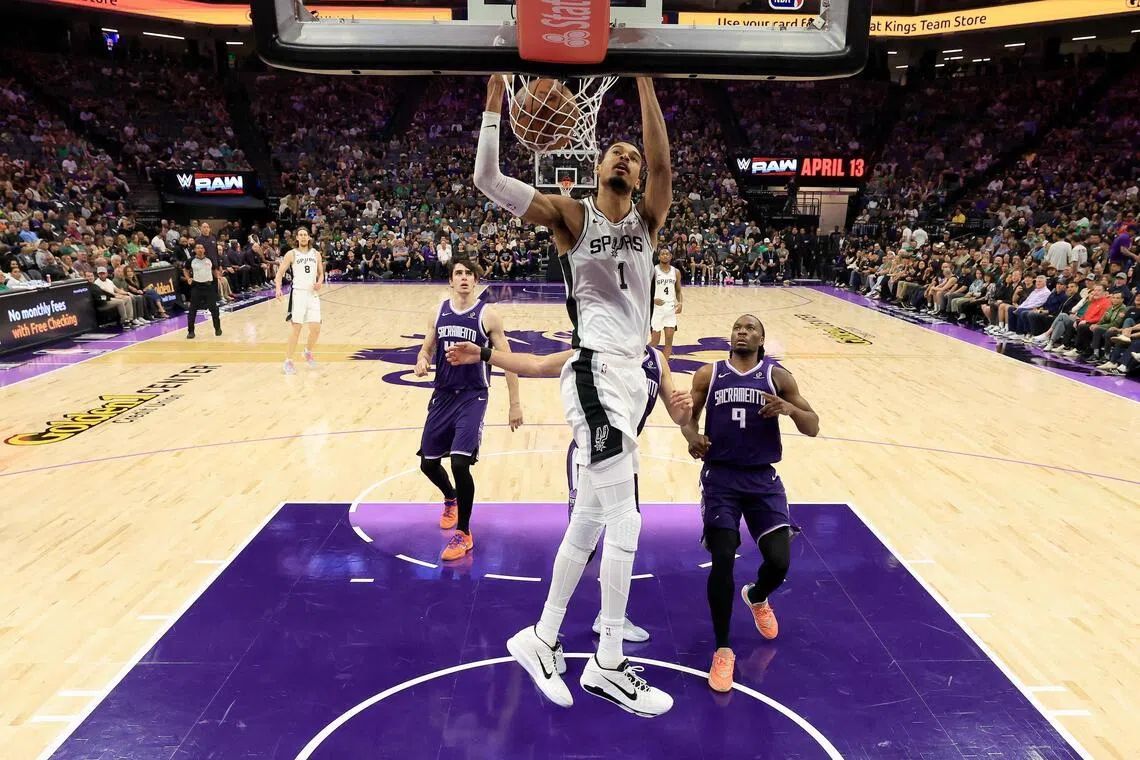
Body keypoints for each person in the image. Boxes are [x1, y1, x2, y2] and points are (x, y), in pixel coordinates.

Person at [474, 73, 674, 716]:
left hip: (631, 376)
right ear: (594, 164)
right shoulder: (570, 215)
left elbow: (664, 159)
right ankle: (610, 661)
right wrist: (493, 108)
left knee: (589, 521)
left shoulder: (647, 220)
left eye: (634, 155)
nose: (626, 154)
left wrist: (645, 83)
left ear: (640, 178)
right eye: (615, 149)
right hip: (592, 374)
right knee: (628, 520)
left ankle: (542, 638)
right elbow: (489, 182)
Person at [445, 339, 692, 648]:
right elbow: (537, 364)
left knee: (624, 533)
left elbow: (679, 417)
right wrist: (482, 353)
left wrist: (685, 411)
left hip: (626, 454)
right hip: (590, 453)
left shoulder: (656, 360)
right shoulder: (596, 349)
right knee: (590, 543)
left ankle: (598, 622)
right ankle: (551, 628)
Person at [681, 315, 819, 694]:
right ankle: (723, 649)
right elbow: (687, 422)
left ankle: (757, 596)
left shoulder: (778, 377)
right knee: (723, 559)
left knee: (779, 561)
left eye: (750, 328)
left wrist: (791, 411)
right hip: (721, 478)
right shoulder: (709, 375)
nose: (741, 331)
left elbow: (814, 425)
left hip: (762, 480)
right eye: (737, 327)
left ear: (762, 338)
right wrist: (692, 437)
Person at [414, 259, 524, 561]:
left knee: (461, 463)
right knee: (428, 464)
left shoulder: (488, 315)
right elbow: (426, 347)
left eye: (468, 274)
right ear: (451, 280)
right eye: (458, 273)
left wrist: (515, 403)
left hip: (473, 396)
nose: (463, 278)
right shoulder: (438, 311)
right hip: (443, 395)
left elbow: (509, 360)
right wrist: (422, 359)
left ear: (476, 280)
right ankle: (451, 498)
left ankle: (464, 532)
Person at [275, 227, 324, 375]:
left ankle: (307, 352)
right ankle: (288, 361)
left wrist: (320, 282)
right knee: (296, 329)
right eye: (300, 235)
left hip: (313, 294)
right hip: (298, 295)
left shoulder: (316, 254)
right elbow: (279, 273)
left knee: (316, 328)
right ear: (297, 238)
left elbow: (321, 273)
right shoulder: (291, 254)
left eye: (305, 235)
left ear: (309, 237)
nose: (303, 237)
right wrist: (278, 289)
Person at [650, 249, 683, 359]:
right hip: (656, 309)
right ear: (659, 257)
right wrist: (652, 300)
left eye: (667, 254)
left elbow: (678, 291)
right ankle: (643, 360)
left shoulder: (676, 272)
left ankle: (664, 367)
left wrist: (680, 303)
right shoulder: (653, 270)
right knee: (655, 341)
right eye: (662, 254)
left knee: (669, 341)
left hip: (670, 309)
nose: (664, 256)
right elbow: (644, 289)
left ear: (671, 256)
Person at [184, 244, 221, 339]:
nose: (200, 249)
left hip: (209, 287)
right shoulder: (191, 260)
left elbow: (214, 270)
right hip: (197, 287)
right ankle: (191, 331)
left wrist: (218, 277)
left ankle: (217, 328)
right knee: (192, 310)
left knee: (214, 309)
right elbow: (185, 269)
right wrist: (188, 278)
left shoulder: (209, 259)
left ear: (204, 249)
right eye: (198, 248)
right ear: (195, 250)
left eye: (201, 248)